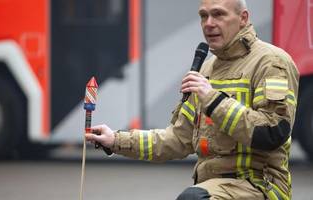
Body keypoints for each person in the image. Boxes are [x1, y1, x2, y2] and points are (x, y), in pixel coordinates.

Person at [85, 0, 299, 199]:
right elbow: (177, 140)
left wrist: (212, 99)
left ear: (243, 18)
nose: (209, 24)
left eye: (218, 15)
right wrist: (115, 140)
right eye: (203, 16)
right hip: (213, 188)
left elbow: (272, 133)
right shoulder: (206, 70)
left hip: (260, 186)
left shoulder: (272, 62)